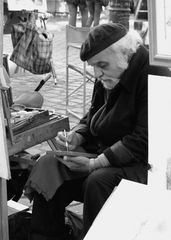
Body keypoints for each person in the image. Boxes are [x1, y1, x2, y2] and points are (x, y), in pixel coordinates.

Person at [25, 23, 171, 240]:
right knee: (49, 163)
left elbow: (143, 139)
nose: (97, 73)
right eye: (94, 66)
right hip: (104, 151)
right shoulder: (111, 70)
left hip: (143, 163)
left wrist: (96, 164)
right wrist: (79, 135)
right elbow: (93, 113)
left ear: (125, 53)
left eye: (101, 65)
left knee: (98, 181)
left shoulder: (154, 73)